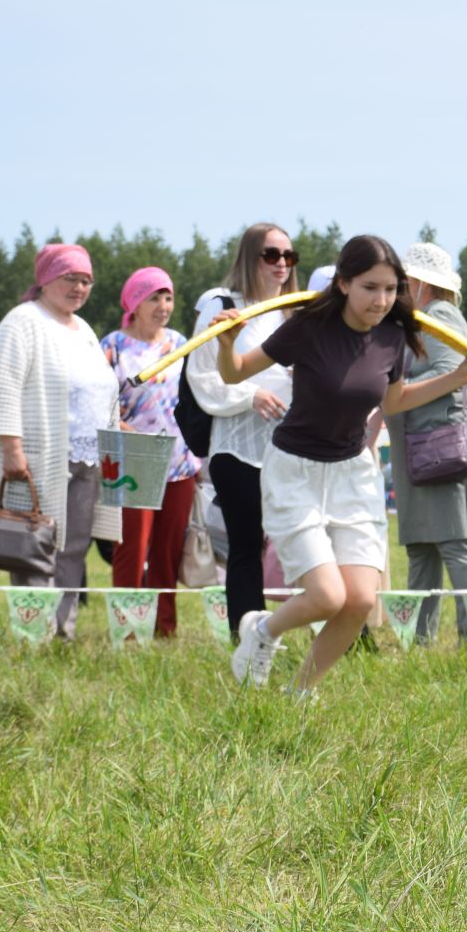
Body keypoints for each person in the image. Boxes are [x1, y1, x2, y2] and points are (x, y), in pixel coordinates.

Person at [213, 235, 467, 691]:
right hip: (295, 471)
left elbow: (394, 401)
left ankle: (299, 692)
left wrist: (459, 377)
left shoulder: (393, 336)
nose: (382, 301)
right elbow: (234, 372)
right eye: (370, 288)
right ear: (343, 284)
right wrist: (227, 345)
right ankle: (261, 631)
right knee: (326, 596)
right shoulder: (308, 327)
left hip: (353, 474)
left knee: (359, 600)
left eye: (390, 289)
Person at [0, 242, 121, 637]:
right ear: (45, 279)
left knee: (73, 547)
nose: (79, 287)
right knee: (32, 543)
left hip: (87, 458)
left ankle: (63, 631)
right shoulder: (23, 321)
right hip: (39, 458)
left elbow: (104, 388)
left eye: (86, 280)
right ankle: (33, 630)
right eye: (70, 278)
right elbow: (2, 386)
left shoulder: (85, 330)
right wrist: (12, 449)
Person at [187, 224, 298, 638]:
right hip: (238, 449)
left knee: (306, 546)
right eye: (272, 255)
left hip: (291, 448)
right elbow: (202, 374)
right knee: (246, 547)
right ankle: (249, 641)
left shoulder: (297, 310)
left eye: (289, 256)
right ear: (250, 258)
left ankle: (328, 632)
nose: (282, 264)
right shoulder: (223, 305)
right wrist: (250, 395)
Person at [388, 243, 467, 644]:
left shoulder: (440, 316)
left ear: (418, 282)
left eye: (401, 282)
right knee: (422, 546)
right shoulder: (420, 320)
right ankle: (419, 640)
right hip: (425, 440)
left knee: (455, 540)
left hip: (444, 439)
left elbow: (453, 370)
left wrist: (393, 392)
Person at [105, 267, 198, 637]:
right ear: (133, 303)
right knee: (131, 549)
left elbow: (193, 399)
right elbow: (100, 399)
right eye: (153, 298)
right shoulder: (113, 345)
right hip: (132, 459)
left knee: (168, 551)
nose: (162, 306)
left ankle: (164, 628)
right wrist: (123, 426)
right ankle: (127, 630)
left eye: (168, 297)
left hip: (178, 462)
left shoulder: (179, 343)